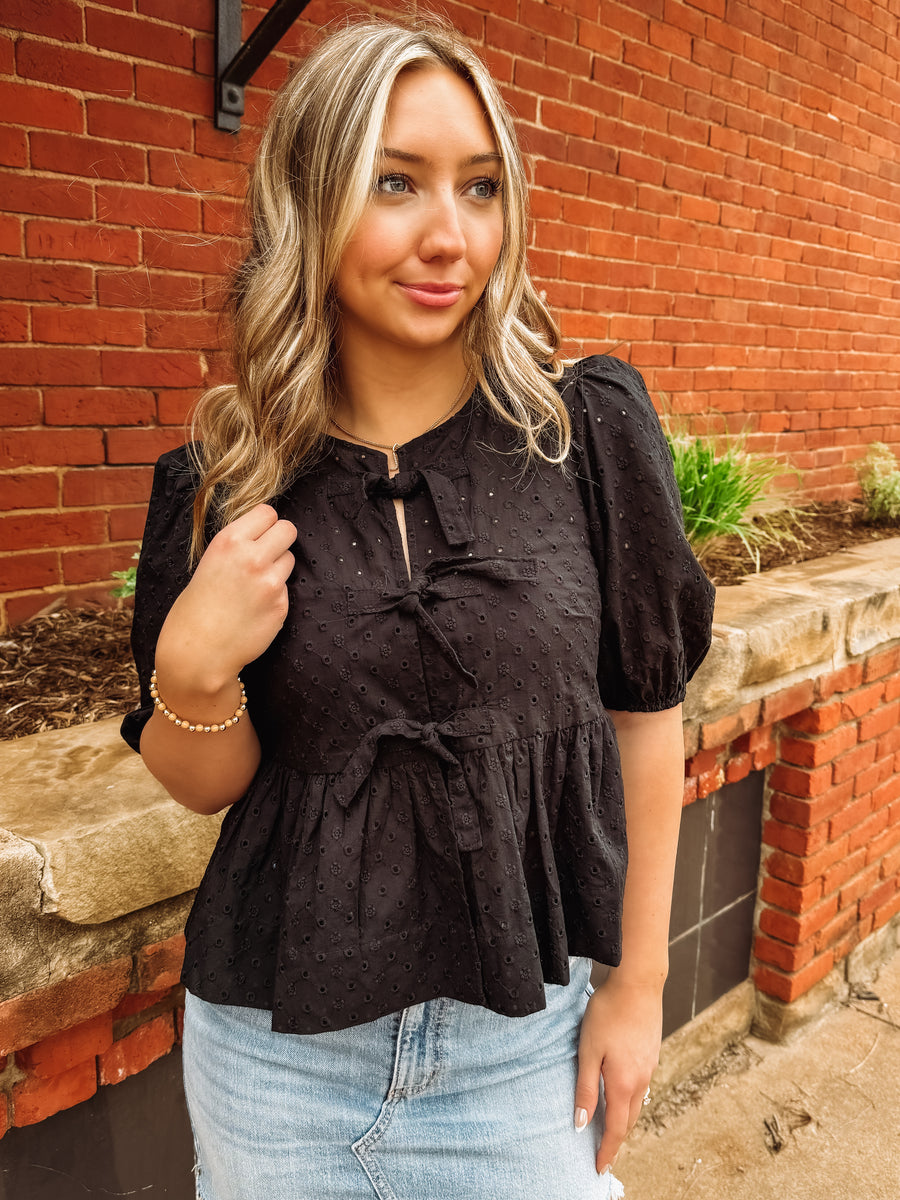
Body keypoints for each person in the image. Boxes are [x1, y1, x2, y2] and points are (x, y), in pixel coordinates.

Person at [121, 17, 714, 1200]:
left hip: (522, 1054)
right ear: (310, 201)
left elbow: (645, 718)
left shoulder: (583, 435)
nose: (450, 235)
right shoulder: (226, 482)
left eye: (480, 187)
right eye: (395, 183)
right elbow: (213, 783)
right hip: (274, 1062)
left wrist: (638, 986)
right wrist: (191, 674)